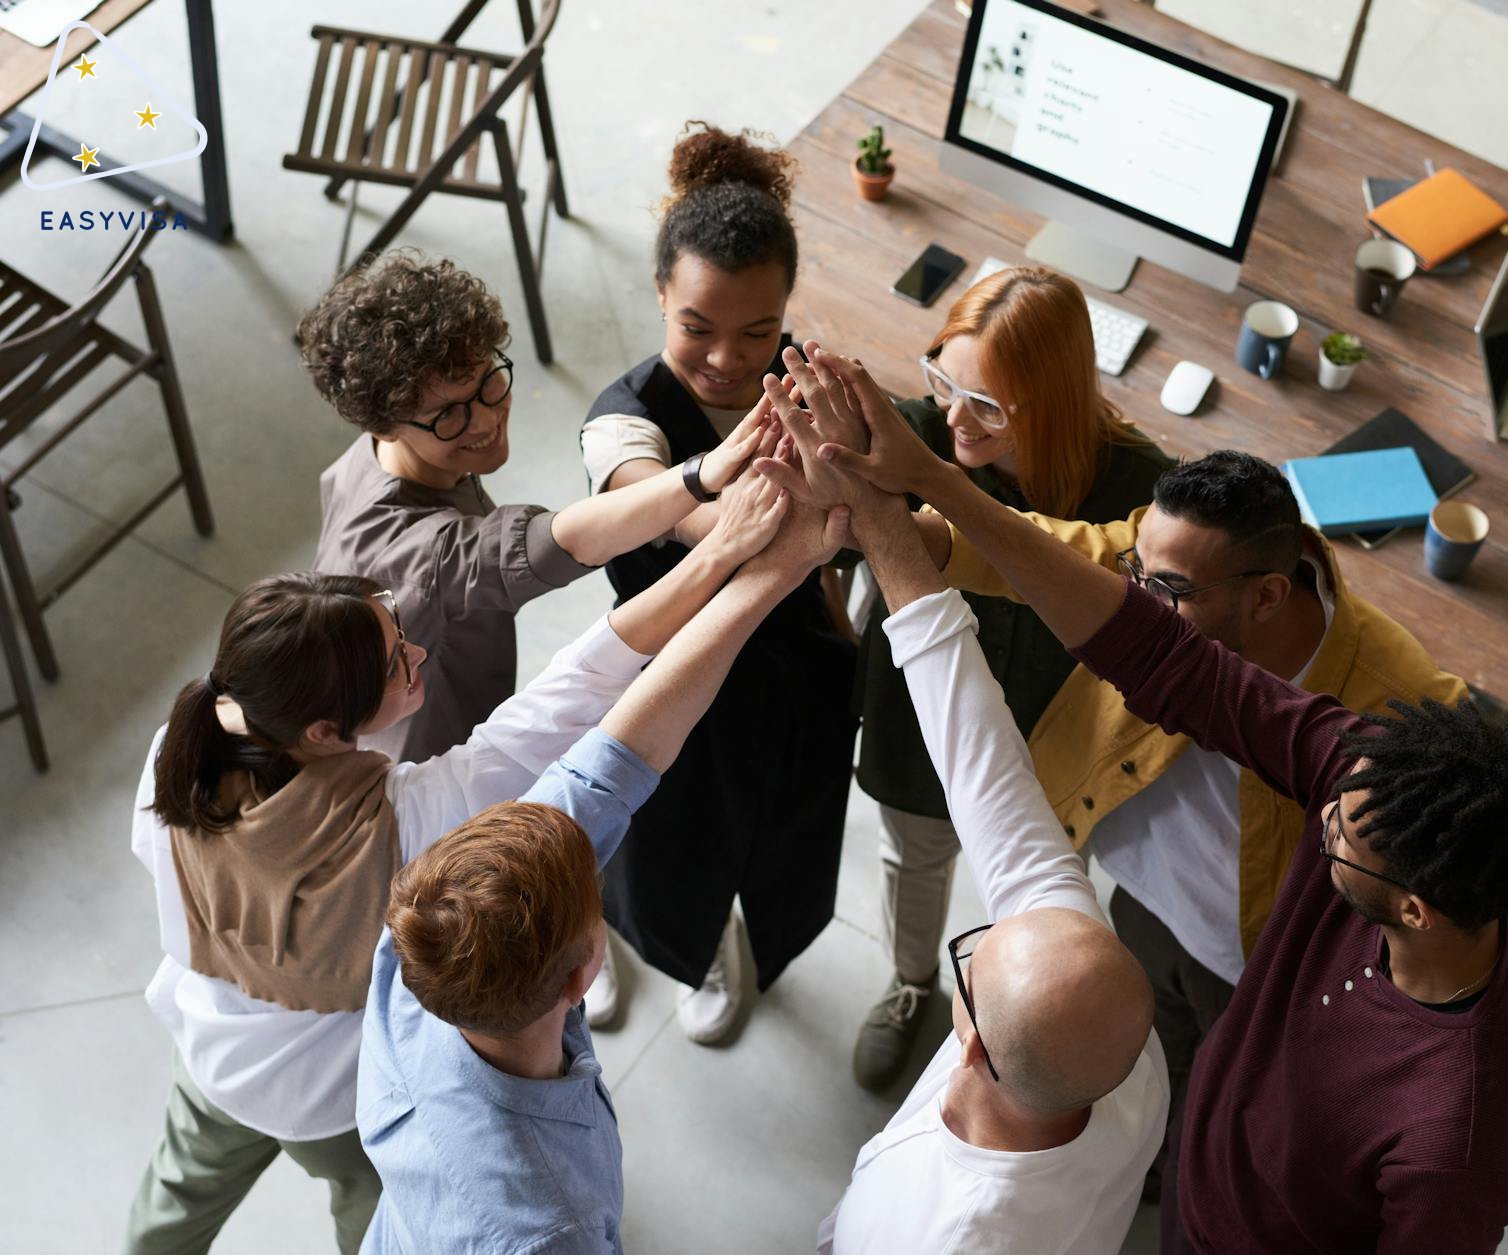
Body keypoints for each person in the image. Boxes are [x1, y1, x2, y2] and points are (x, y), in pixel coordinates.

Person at [769, 345, 1508, 1254]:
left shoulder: (1461, 1127)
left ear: (1412, 908)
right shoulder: (1372, 779)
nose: (1321, 816)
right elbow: (1161, 654)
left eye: (1337, 840)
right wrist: (919, 486)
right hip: (1196, 1152)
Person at [123, 478, 785, 1255]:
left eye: (396, 628)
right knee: (379, 1217)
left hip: (211, 1052)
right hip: (333, 1098)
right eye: (397, 663)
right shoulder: (415, 821)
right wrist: (723, 553)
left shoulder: (180, 751)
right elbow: (574, 692)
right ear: (328, 728)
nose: (419, 654)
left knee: (169, 1212)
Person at [931, 450, 1468, 1227]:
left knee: (1212, 1131)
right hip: (1143, 904)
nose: (1136, 605)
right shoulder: (1165, 559)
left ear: (1270, 594)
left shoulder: (1395, 698)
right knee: (1138, 1064)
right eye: (1137, 571)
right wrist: (911, 525)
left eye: (1169, 593)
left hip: (1249, 965)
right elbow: (1040, 550)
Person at [357, 494, 849, 1254]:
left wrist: (778, 567)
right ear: (583, 973)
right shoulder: (551, 1225)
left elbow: (617, 758)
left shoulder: (419, 949)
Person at [302, 252, 769, 1025]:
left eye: (490, 381)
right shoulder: (417, 551)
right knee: (530, 867)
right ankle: (570, 947)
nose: (484, 417)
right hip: (438, 770)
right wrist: (703, 477)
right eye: (450, 413)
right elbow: (557, 542)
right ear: (383, 419)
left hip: (455, 729)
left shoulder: (371, 461)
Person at [776, 377, 1166, 1255]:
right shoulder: (1122, 1058)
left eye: (970, 960)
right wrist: (880, 518)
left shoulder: (953, 1236)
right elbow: (982, 761)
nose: (977, 942)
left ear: (975, 1043)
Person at [849, 267, 1171, 1091]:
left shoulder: (1143, 494)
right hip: (922, 728)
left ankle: (1009, 1026)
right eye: (943, 381)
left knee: (1034, 907)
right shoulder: (911, 436)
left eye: (986, 403)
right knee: (914, 860)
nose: (954, 416)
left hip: (1059, 751)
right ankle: (912, 981)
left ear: (1055, 402)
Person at [576, 122, 858, 1044]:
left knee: (776, 846)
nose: (728, 359)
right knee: (647, 841)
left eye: (758, 331)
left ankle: (722, 952)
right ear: (660, 294)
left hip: (789, 679)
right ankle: (605, 944)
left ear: (788, 311)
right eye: (696, 326)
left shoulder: (817, 390)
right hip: (666, 672)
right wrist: (744, 518)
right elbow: (654, 502)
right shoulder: (623, 423)